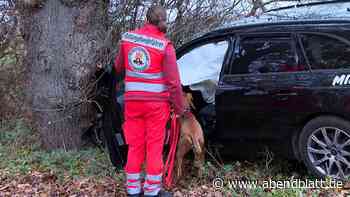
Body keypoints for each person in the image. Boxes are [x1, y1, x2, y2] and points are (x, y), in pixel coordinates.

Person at [113, 5, 185, 197]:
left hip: (133, 103)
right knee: (154, 146)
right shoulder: (164, 45)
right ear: (163, 20)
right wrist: (180, 108)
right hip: (156, 106)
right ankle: (152, 191)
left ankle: (133, 190)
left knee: (135, 145)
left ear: (146, 19)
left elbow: (118, 66)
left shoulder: (128, 39)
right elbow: (173, 83)